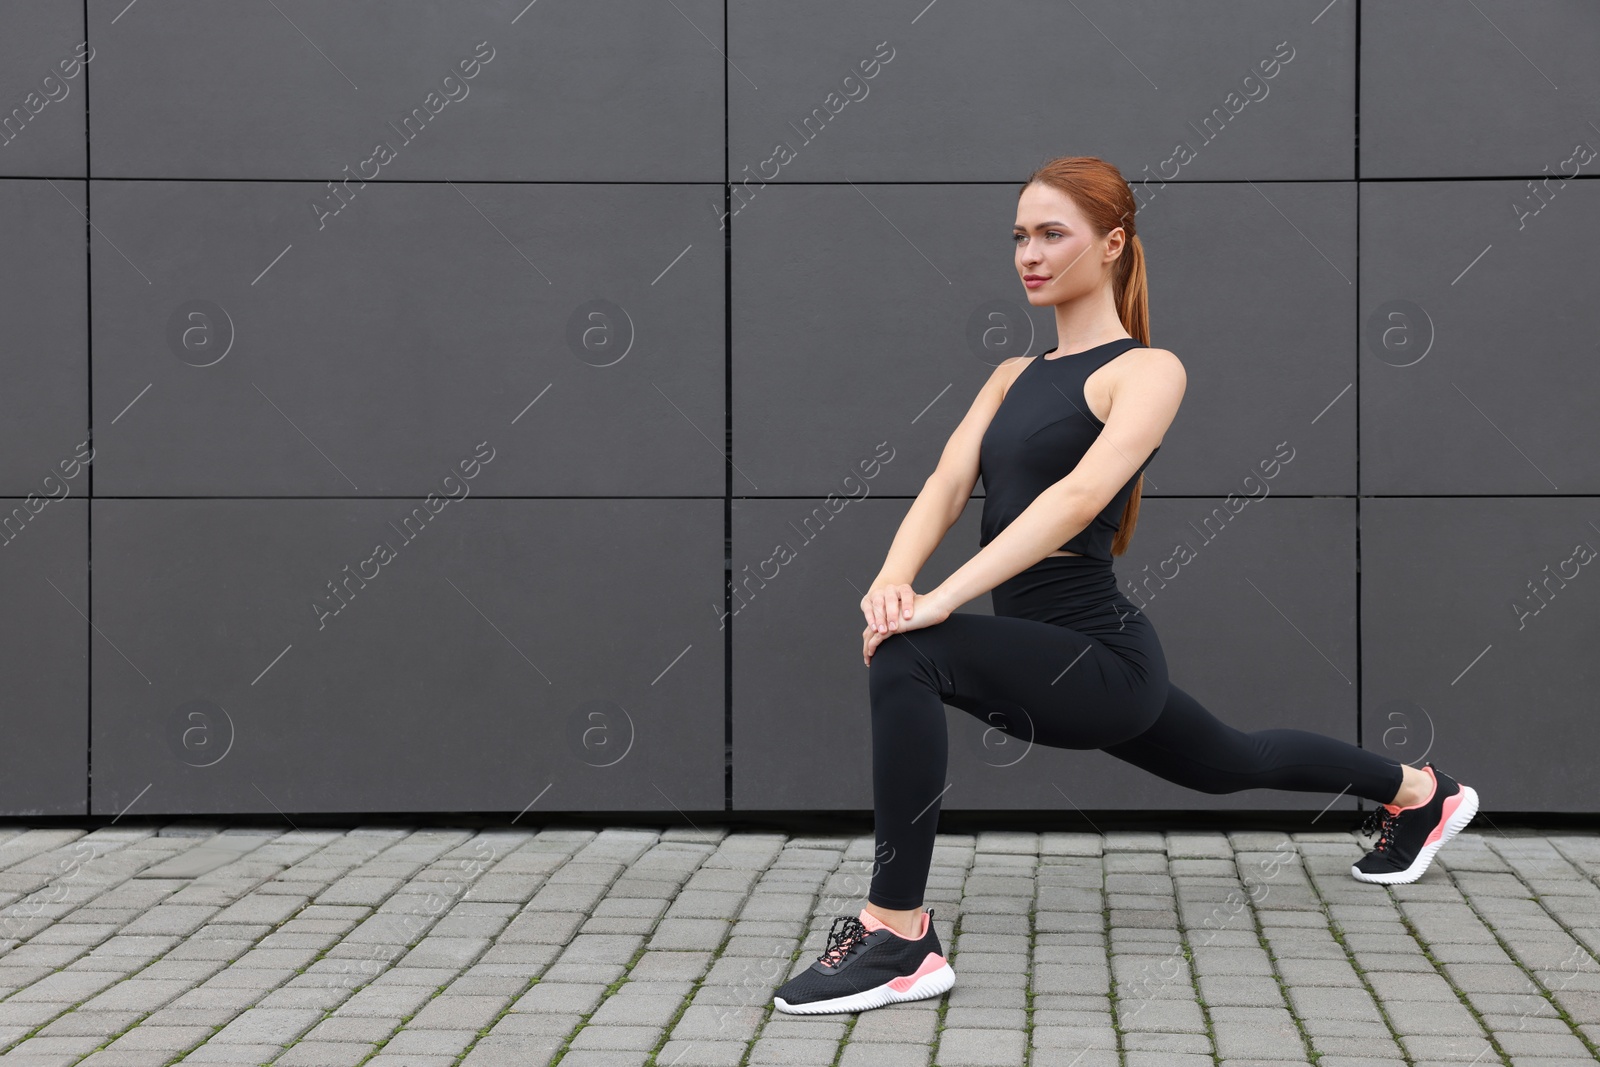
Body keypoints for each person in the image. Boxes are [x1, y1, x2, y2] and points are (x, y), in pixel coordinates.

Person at [772, 156, 1480, 1016]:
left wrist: (940, 599)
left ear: (1112, 244)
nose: (1029, 254)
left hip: (1100, 658)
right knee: (1234, 761)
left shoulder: (1147, 370)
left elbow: (1076, 499)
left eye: (1052, 234)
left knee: (908, 657)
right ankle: (1421, 791)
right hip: (1044, 652)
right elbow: (948, 485)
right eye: (1020, 237)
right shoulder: (1009, 376)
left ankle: (897, 935)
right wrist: (892, 578)